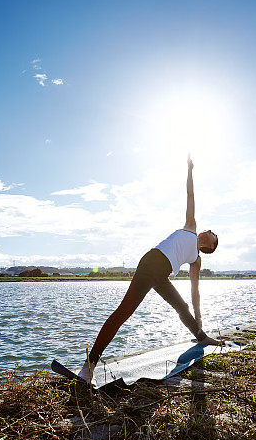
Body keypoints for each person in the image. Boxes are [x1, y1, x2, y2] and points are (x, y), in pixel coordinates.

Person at [77, 156, 222, 385]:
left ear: (211, 246)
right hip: (150, 263)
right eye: (210, 230)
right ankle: (89, 366)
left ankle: (202, 337)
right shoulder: (191, 227)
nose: (210, 230)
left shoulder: (196, 260)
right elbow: (190, 195)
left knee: (183, 307)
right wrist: (189, 169)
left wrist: (200, 321)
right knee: (123, 313)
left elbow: (195, 293)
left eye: (213, 234)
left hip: (162, 275)